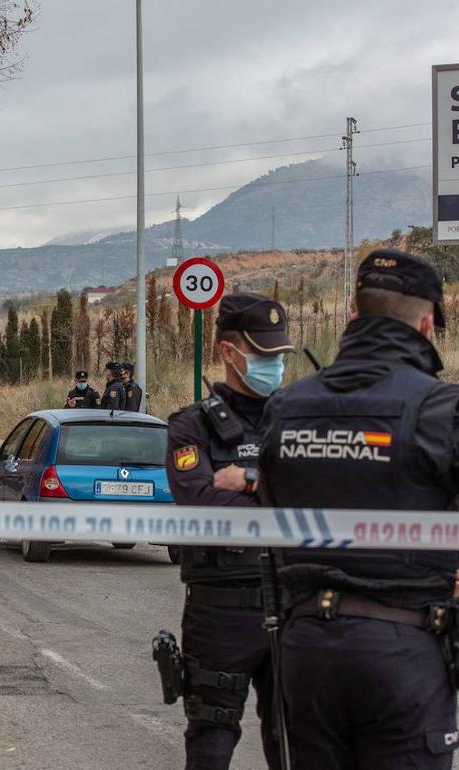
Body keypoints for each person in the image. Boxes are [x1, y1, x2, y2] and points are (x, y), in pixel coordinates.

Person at [257, 249, 459, 770]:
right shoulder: (444, 408)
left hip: (304, 651)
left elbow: (269, 510)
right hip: (402, 649)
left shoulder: (286, 407)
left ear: (354, 316)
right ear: (427, 324)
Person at [165, 292, 293, 770]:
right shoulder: (190, 426)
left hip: (293, 602)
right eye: (263, 355)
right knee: (212, 737)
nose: (274, 364)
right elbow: (200, 503)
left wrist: (253, 480)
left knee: (295, 738)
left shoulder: (303, 422)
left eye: (279, 355)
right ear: (228, 351)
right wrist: (284, 494)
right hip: (221, 610)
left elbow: (328, 498)